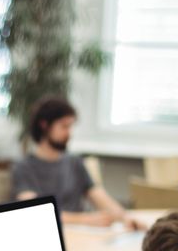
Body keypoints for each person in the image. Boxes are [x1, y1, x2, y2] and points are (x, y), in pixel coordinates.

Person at [13, 96, 140, 228]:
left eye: (70, 126)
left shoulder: (75, 162)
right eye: (64, 126)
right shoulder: (24, 167)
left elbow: (100, 198)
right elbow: (34, 212)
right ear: (44, 125)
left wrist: (126, 218)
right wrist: (85, 219)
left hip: (81, 233)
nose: (69, 133)